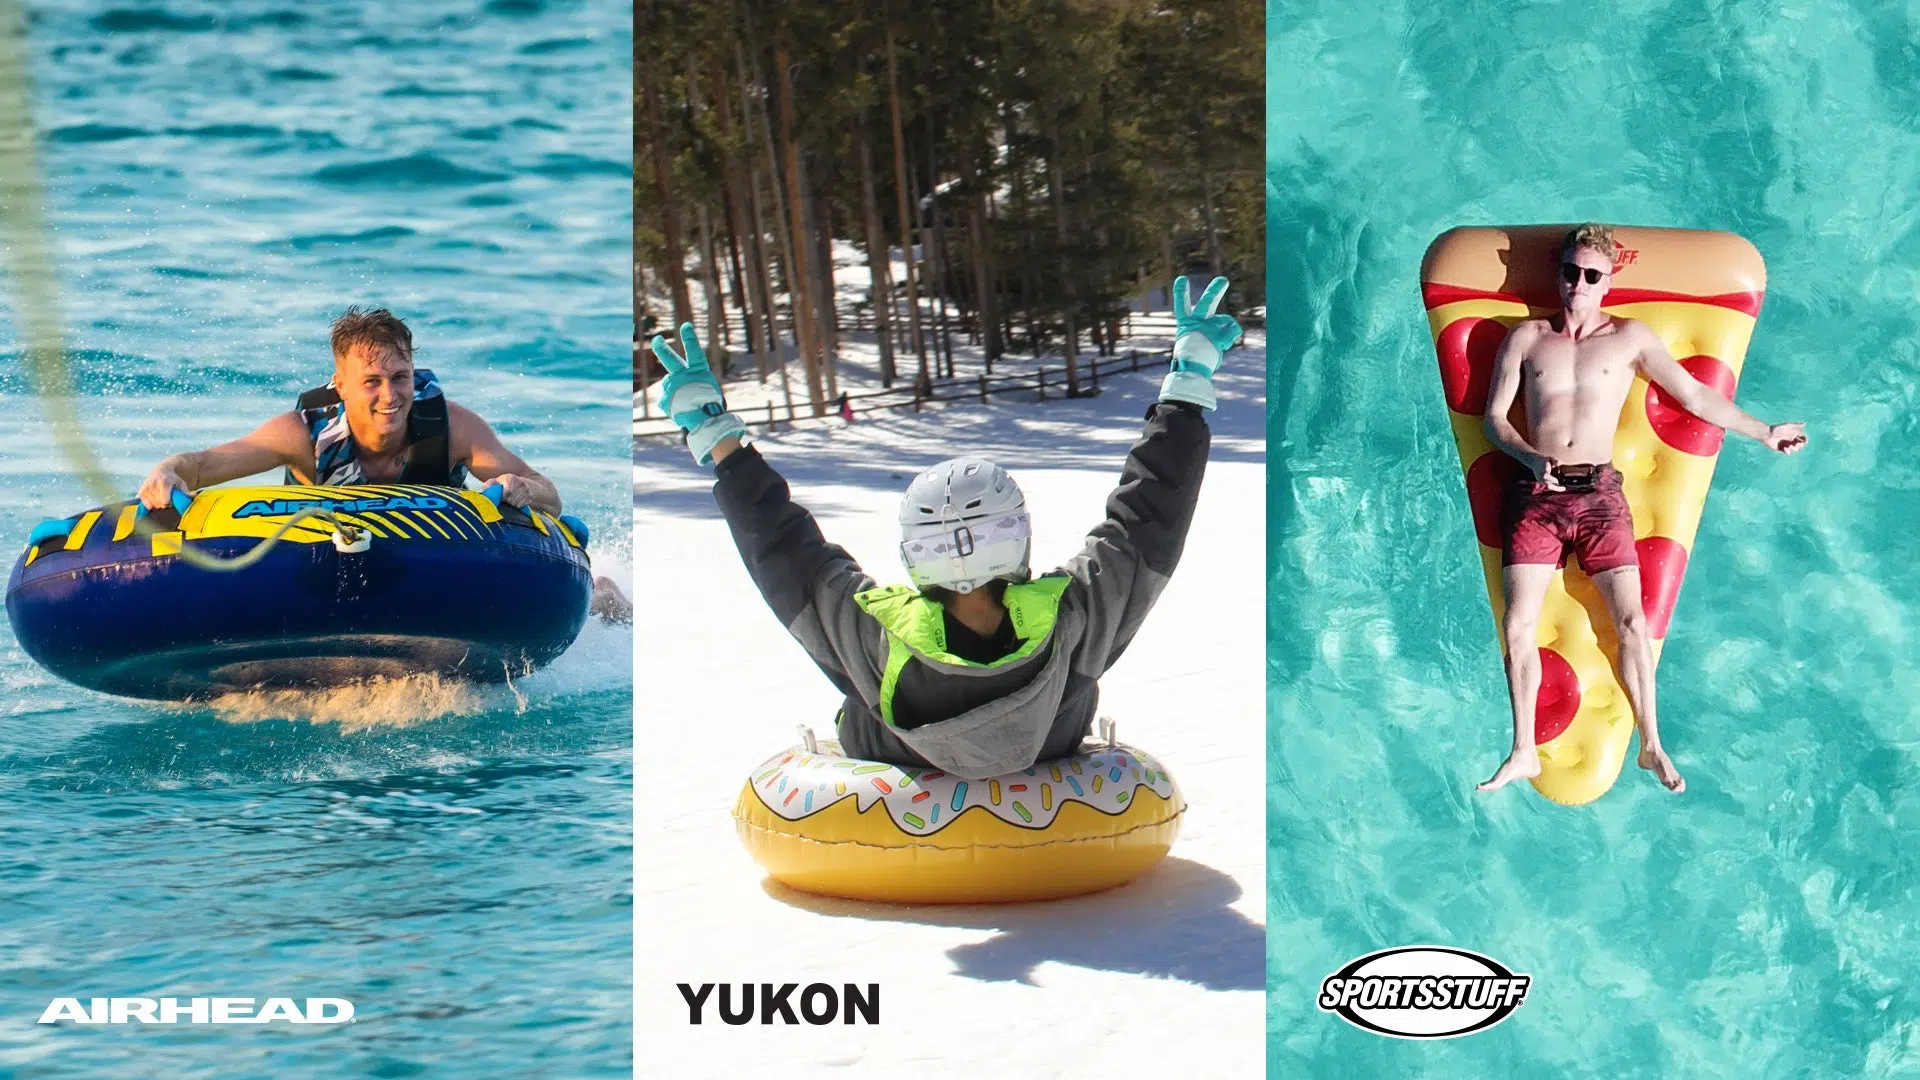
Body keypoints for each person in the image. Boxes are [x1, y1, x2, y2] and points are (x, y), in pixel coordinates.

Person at [649, 276, 1242, 778]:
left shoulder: (873, 632)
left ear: (917, 556)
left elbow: (781, 545)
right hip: (1051, 752)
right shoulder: (1074, 618)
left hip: (896, 763)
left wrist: (716, 436)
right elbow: (1147, 519)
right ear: (1015, 538)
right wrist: (1186, 386)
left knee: (855, 693)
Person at [1476, 224, 1808, 795]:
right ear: (1558, 274)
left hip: (1601, 496)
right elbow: (1494, 420)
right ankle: (1524, 750)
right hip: (1537, 493)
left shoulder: (1630, 338)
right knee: (1518, 624)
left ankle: (1652, 745)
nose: (1578, 284)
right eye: (1570, 272)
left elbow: (1697, 397)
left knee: (1632, 623)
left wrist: (1765, 432)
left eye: (1591, 275)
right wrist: (1529, 457)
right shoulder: (1527, 338)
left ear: (1609, 281)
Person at [137, 307, 632, 620]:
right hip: (326, 558)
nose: (390, 395)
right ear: (341, 384)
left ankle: (604, 594)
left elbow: (549, 493)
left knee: (598, 604)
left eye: (400, 376)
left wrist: (519, 487)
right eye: (371, 380)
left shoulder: (454, 427)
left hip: (431, 560)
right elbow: (203, 465)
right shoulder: (302, 434)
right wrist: (168, 469)